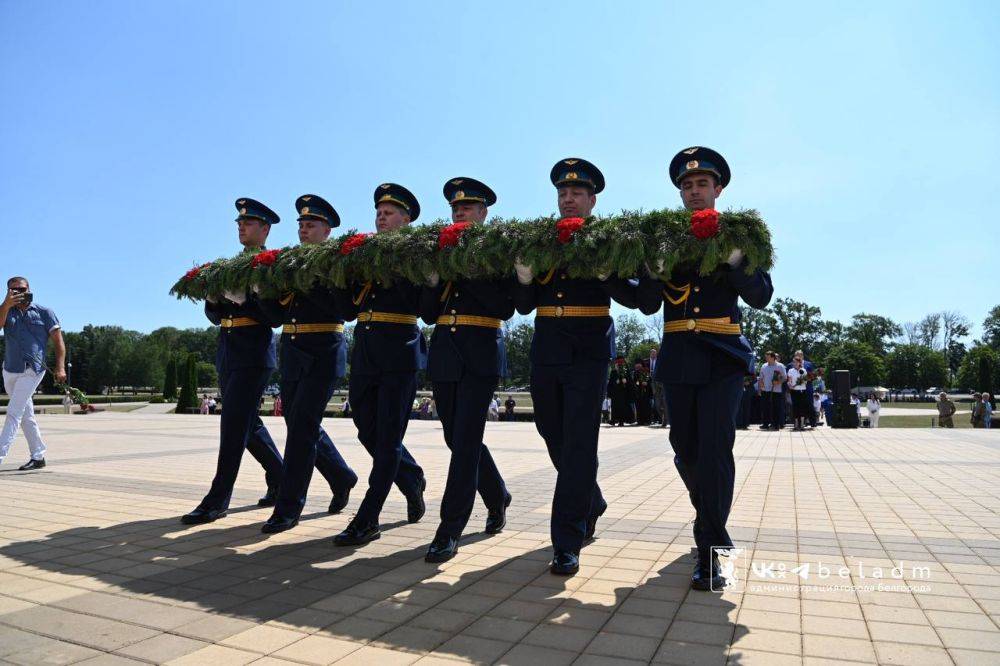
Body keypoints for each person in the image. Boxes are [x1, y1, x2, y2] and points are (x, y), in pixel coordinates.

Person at [636, 146, 773, 591]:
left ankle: (711, 547)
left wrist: (736, 262)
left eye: (701, 184)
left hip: (722, 356)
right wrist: (653, 274)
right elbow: (646, 303)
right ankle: (709, 516)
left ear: (718, 189)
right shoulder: (663, 237)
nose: (694, 192)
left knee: (715, 451)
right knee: (685, 449)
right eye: (686, 186)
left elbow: (761, 295)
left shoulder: (741, 233)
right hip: (678, 353)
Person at [512, 158, 639, 576]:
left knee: (580, 442)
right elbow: (524, 305)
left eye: (577, 193)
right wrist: (525, 279)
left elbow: (633, 296)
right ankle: (591, 499)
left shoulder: (611, 239)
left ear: (593, 199)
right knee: (550, 430)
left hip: (588, 349)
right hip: (547, 346)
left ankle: (567, 538)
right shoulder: (541, 239)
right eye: (562, 193)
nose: (568, 199)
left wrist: (606, 274)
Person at [420, 177, 515, 563]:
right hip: (445, 352)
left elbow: (505, 306)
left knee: (465, 440)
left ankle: (450, 526)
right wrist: (434, 277)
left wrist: (467, 268)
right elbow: (428, 312)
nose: (460, 212)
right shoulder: (439, 251)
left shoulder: (497, 250)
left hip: (479, 352)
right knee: (456, 438)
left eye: (468, 207)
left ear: (484, 213)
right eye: (455, 208)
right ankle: (497, 495)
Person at [256, 194, 359, 534]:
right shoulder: (288, 263)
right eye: (300, 224)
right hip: (293, 349)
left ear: (327, 230)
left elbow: (341, 308)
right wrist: (262, 292)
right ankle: (341, 476)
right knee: (299, 423)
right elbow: (276, 317)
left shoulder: (335, 262)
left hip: (324, 349)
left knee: (302, 429)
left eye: (311, 224)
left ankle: (289, 507)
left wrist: (305, 279)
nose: (303, 229)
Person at [332, 183, 427, 547]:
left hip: (399, 351)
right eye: (378, 213)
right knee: (366, 430)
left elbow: (420, 302)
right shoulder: (366, 255)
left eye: (388, 213)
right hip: (367, 352)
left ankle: (368, 517)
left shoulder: (414, 254)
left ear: (406, 219)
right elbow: (348, 309)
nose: (380, 218)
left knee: (388, 439)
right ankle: (411, 476)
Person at [181, 199, 285, 525]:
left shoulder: (269, 264)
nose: (241, 227)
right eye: (239, 223)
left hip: (254, 352)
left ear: (265, 229)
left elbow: (274, 315)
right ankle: (282, 477)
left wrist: (250, 300)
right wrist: (213, 300)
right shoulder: (230, 266)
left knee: (233, 426)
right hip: (228, 349)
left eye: (249, 223)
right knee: (247, 424)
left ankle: (218, 498)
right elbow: (216, 317)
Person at [0, 276, 65, 470]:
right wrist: (6, 303)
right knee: (26, 415)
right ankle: (38, 456)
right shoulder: (6, 310)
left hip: (33, 369)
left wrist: (60, 367)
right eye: (14, 290)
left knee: (13, 413)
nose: (18, 293)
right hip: (10, 368)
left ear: (29, 288)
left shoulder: (45, 313)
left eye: (21, 289)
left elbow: (59, 342)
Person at [758, 352, 785, 431]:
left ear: (773, 358)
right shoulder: (764, 366)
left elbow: (784, 377)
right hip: (765, 390)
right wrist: (760, 388)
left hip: (776, 390)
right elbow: (760, 378)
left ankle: (776, 425)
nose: (766, 359)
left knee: (776, 408)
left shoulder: (780, 366)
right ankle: (765, 424)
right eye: (766, 357)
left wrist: (779, 382)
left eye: (767, 357)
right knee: (765, 407)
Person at [607, 356, 633, 427]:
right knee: (614, 407)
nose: (617, 365)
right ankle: (613, 420)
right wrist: (615, 382)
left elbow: (630, 381)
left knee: (622, 407)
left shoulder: (625, 371)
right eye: (617, 364)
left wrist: (625, 381)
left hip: (623, 392)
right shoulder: (613, 372)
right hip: (615, 393)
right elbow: (610, 382)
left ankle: (621, 421)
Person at [786, 357, 810, 431]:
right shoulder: (790, 370)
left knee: (802, 407)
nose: (794, 363)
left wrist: (798, 383)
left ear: (799, 363)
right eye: (793, 362)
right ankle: (796, 424)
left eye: (796, 362)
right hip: (794, 391)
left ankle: (802, 424)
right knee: (795, 407)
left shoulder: (803, 370)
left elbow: (805, 381)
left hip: (802, 391)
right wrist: (789, 385)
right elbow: (789, 380)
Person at [650, 348, 668, 427]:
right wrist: (653, 389)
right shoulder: (650, 362)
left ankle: (665, 420)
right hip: (655, 385)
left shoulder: (662, 362)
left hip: (663, 385)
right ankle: (662, 417)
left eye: (655, 353)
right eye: (652, 353)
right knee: (657, 405)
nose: (653, 355)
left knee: (664, 403)